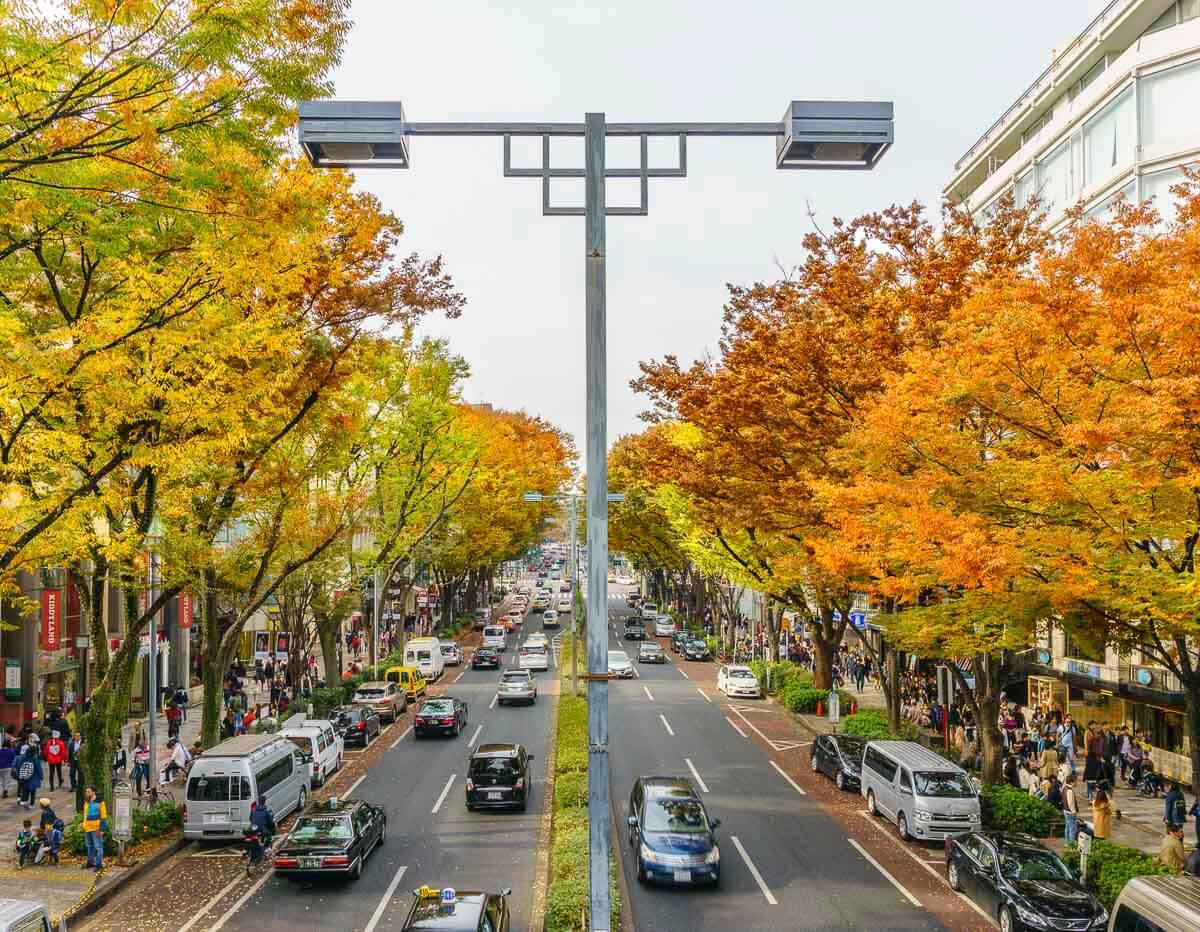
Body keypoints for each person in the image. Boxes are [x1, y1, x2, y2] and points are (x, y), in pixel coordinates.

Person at [81, 786, 106, 870]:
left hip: (96, 828)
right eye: (86, 792)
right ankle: (90, 862)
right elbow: (85, 814)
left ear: (93, 792)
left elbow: (103, 816)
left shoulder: (100, 802)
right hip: (87, 828)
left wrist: (102, 829)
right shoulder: (87, 802)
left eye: (88, 792)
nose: (86, 793)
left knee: (98, 847)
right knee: (89, 846)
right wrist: (83, 825)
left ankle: (99, 864)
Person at [1062, 774, 1080, 844]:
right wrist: (1074, 811)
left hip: (1065, 810)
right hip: (1070, 812)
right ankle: (1071, 844)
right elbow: (1070, 803)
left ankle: (1067, 842)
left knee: (1067, 827)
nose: (1077, 783)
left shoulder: (1064, 788)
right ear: (1072, 782)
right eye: (1076, 781)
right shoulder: (1070, 791)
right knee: (1072, 829)